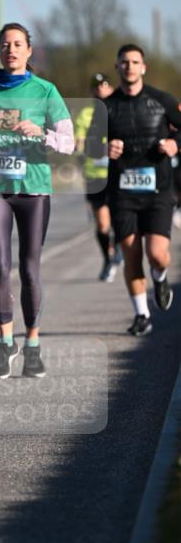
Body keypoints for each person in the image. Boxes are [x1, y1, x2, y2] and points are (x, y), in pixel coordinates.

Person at [0, 23, 75, 379]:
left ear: (28, 51)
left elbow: (69, 142)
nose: (11, 49)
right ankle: (6, 341)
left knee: (29, 268)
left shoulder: (45, 91)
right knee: (0, 265)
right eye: (5, 44)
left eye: (18, 44)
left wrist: (40, 133)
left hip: (34, 189)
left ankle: (33, 346)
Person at [100, 44, 181, 335]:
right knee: (131, 254)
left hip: (158, 190)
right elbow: (88, 146)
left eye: (135, 62)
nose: (129, 67)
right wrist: (104, 148)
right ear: (117, 67)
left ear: (143, 67)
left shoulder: (162, 100)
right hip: (123, 193)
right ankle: (141, 314)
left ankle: (159, 277)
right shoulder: (107, 107)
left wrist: (175, 144)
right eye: (124, 62)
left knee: (157, 254)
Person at [74, 73, 122, 281]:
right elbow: (78, 141)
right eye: (96, 85)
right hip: (95, 175)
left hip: (119, 173)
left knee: (122, 219)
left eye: (104, 84)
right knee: (102, 224)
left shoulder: (121, 110)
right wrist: (81, 146)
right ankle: (108, 259)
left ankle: (120, 246)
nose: (100, 89)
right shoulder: (86, 113)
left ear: (111, 87)